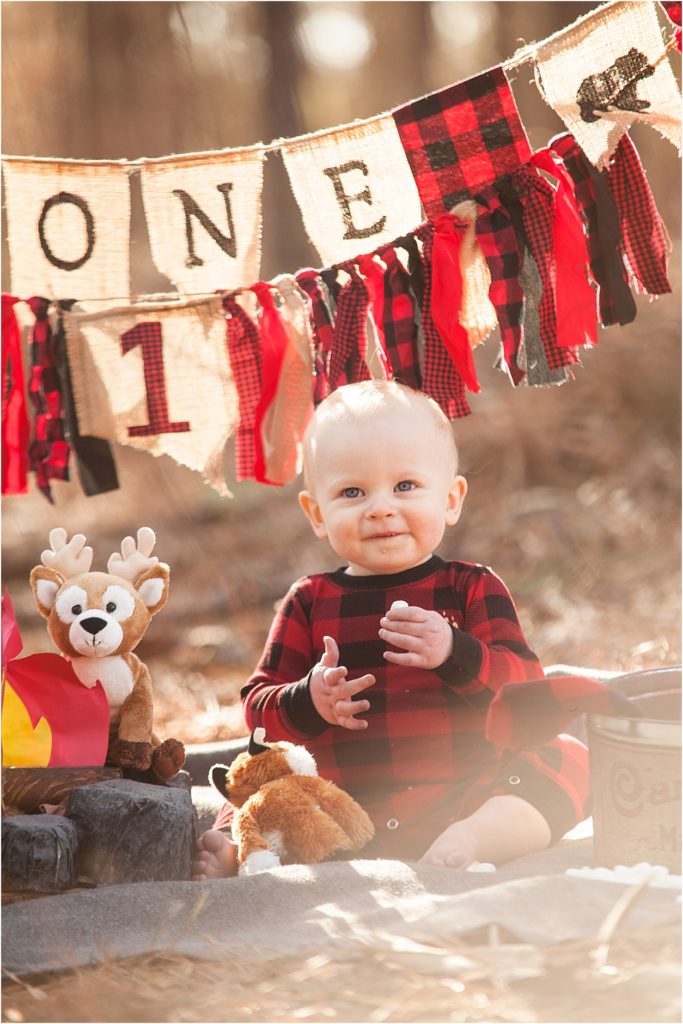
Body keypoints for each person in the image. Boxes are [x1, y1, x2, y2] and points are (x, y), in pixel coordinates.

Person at [193, 380, 589, 879]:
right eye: (352, 492)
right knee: (255, 783)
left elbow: (527, 691)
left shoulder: (470, 588)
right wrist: (307, 699)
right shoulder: (309, 601)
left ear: (450, 499)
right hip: (338, 811)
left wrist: (455, 652)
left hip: (461, 795)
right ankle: (248, 850)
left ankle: (476, 839)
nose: (380, 507)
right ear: (317, 514)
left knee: (567, 758)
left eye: (405, 486)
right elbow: (257, 710)